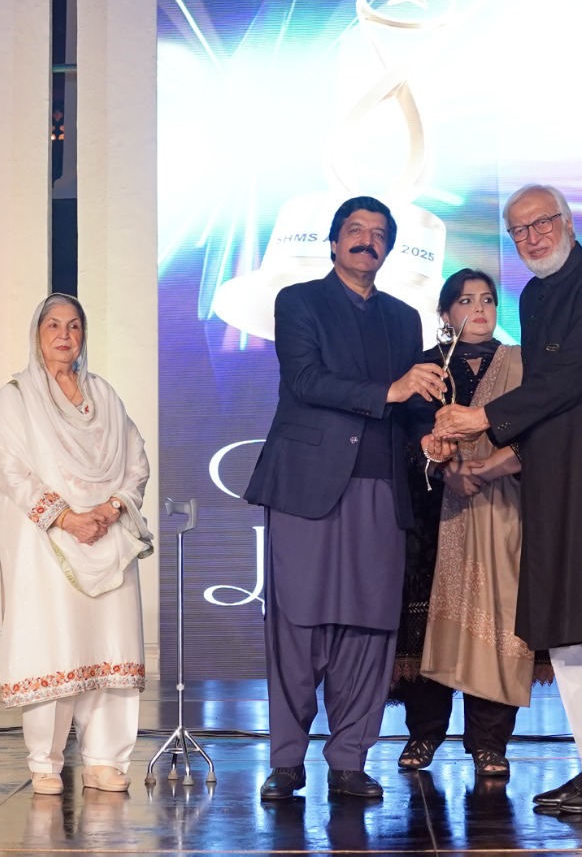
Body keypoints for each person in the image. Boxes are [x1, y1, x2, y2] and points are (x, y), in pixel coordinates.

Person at [434, 184, 582, 816]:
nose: (532, 238)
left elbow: (570, 377)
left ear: (566, 223)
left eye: (542, 224)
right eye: (519, 230)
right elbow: (547, 393)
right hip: (551, 476)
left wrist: (482, 417)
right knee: (566, 639)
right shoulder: (534, 296)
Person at [243, 195, 446, 801]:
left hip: (380, 486)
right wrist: (391, 390)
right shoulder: (298, 300)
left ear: (389, 249)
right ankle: (286, 761)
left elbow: (410, 406)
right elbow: (306, 380)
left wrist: (430, 436)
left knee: (370, 627)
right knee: (297, 625)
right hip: (306, 485)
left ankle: (350, 760)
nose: (366, 240)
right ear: (333, 243)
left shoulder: (405, 318)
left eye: (378, 233)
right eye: (355, 230)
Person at [0, 294, 155, 796]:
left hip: (108, 535)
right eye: (54, 325)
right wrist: (66, 517)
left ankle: (104, 761)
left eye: (75, 326)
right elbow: (9, 466)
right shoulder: (17, 396)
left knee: (110, 646)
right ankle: (45, 762)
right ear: (37, 334)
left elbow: (136, 461)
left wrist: (110, 509)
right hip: (48, 542)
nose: (65, 335)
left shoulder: (104, 395)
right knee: (54, 644)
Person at [391, 268, 539, 779]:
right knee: (429, 623)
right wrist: (443, 467)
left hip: (504, 510)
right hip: (434, 515)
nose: (479, 309)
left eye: (488, 300)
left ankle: (489, 742)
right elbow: (408, 433)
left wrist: (491, 467)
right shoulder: (426, 369)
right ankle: (424, 733)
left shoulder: (522, 365)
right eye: (466, 300)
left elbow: (537, 429)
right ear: (445, 313)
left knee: (497, 622)